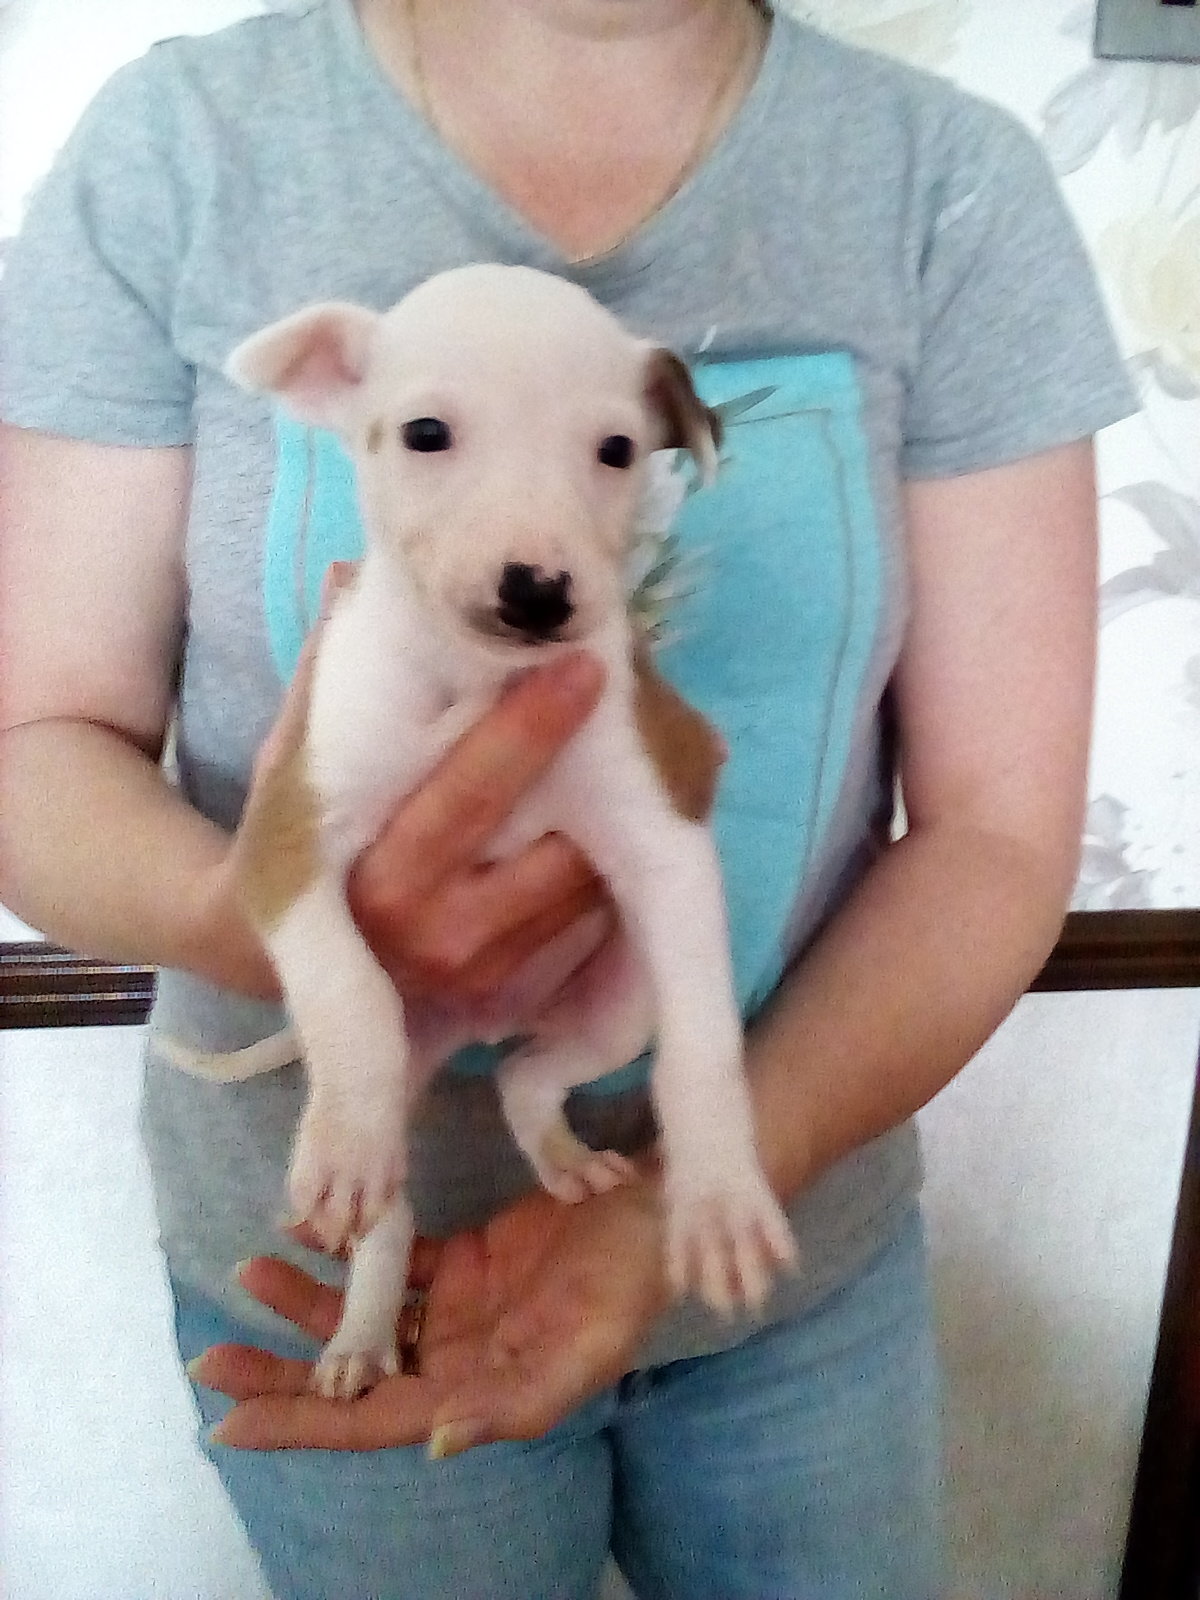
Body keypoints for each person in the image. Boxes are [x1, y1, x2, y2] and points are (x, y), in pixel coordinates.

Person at [0, 1, 1135, 1595]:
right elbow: (35, 737)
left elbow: (997, 831)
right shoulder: (188, 144)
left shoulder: (944, 183)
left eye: (608, 454)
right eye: (436, 437)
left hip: (789, 1259)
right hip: (327, 1265)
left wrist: (708, 1172)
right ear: (343, 388)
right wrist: (280, 921)